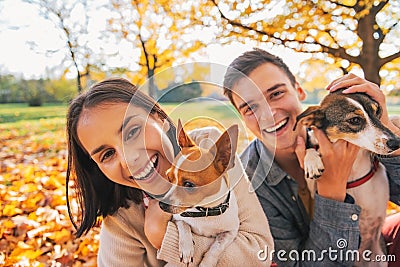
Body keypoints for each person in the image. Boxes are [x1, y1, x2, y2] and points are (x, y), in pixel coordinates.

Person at [65, 77, 274, 266]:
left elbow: (260, 251)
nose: (129, 159)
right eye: (108, 154)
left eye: (133, 132)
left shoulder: (208, 151)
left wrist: (165, 236)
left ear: (159, 118)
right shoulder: (121, 223)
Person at [222, 48, 400, 266]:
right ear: (242, 118)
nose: (268, 113)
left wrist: (385, 125)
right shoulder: (248, 186)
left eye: (276, 93)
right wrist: (332, 191)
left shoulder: (350, 135)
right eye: (250, 108)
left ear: (299, 90)